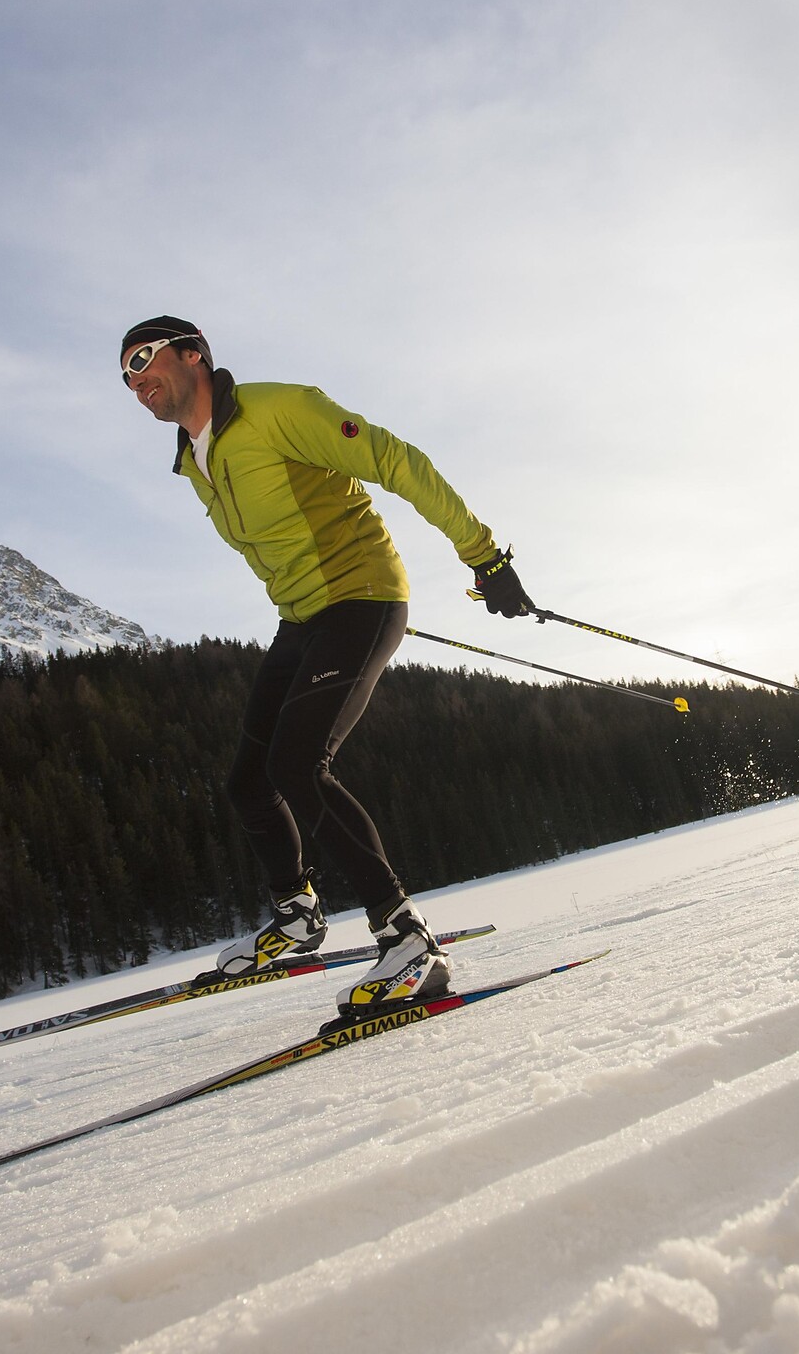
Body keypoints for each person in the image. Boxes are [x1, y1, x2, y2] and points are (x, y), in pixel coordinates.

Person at [121, 315, 533, 1017]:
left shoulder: (279, 409)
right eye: (125, 373)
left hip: (361, 596)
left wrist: (483, 555)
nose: (136, 379)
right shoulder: (195, 461)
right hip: (304, 619)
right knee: (249, 782)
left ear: (194, 355)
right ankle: (297, 915)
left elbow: (395, 460)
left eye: (146, 357)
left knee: (298, 764)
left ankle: (407, 939)